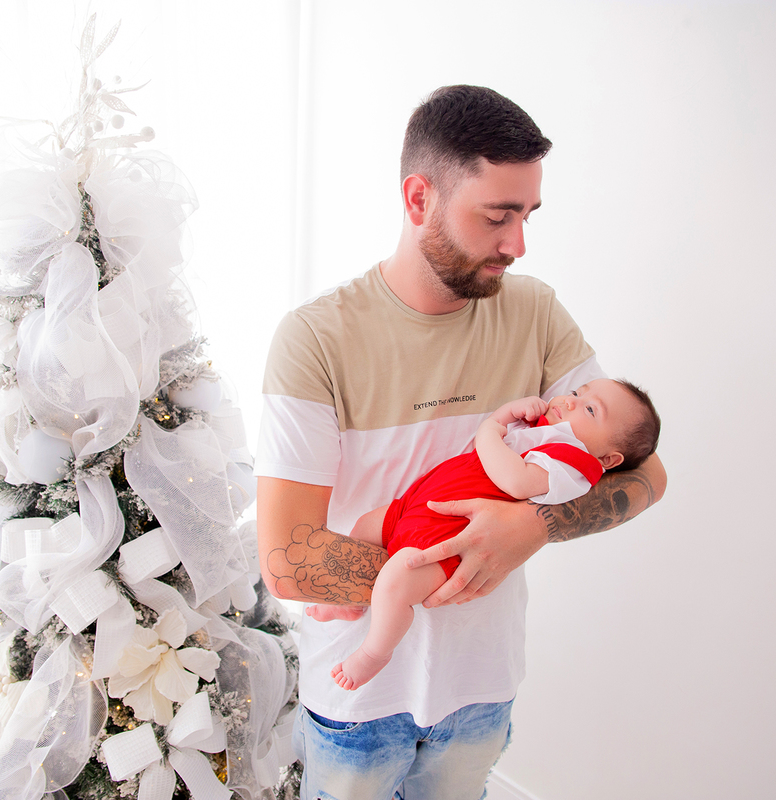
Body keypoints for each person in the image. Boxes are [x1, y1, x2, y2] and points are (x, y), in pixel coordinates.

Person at [256, 85, 667, 800]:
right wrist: (449, 565)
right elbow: (288, 562)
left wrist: (531, 528)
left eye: (528, 215)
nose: (518, 243)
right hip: (357, 705)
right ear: (419, 200)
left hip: (481, 693)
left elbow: (645, 473)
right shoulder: (316, 339)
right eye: (497, 216)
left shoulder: (534, 311)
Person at [308, 379, 661, 691]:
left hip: (448, 533)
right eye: (575, 392)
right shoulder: (542, 429)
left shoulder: (574, 463)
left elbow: (517, 480)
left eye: (588, 409)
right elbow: (507, 431)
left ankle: (374, 652)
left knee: (395, 583)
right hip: (421, 504)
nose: (568, 401)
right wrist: (509, 413)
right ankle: (350, 602)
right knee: (365, 526)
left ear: (610, 459)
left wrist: (489, 430)